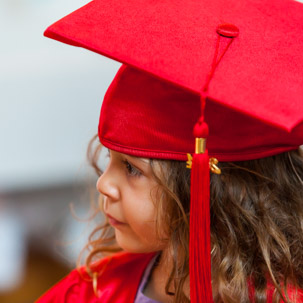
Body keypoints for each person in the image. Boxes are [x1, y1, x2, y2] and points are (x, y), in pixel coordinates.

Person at [37, 0, 303, 302]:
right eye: (109, 159)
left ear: (212, 187)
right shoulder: (88, 293)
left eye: (131, 168)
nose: (104, 184)